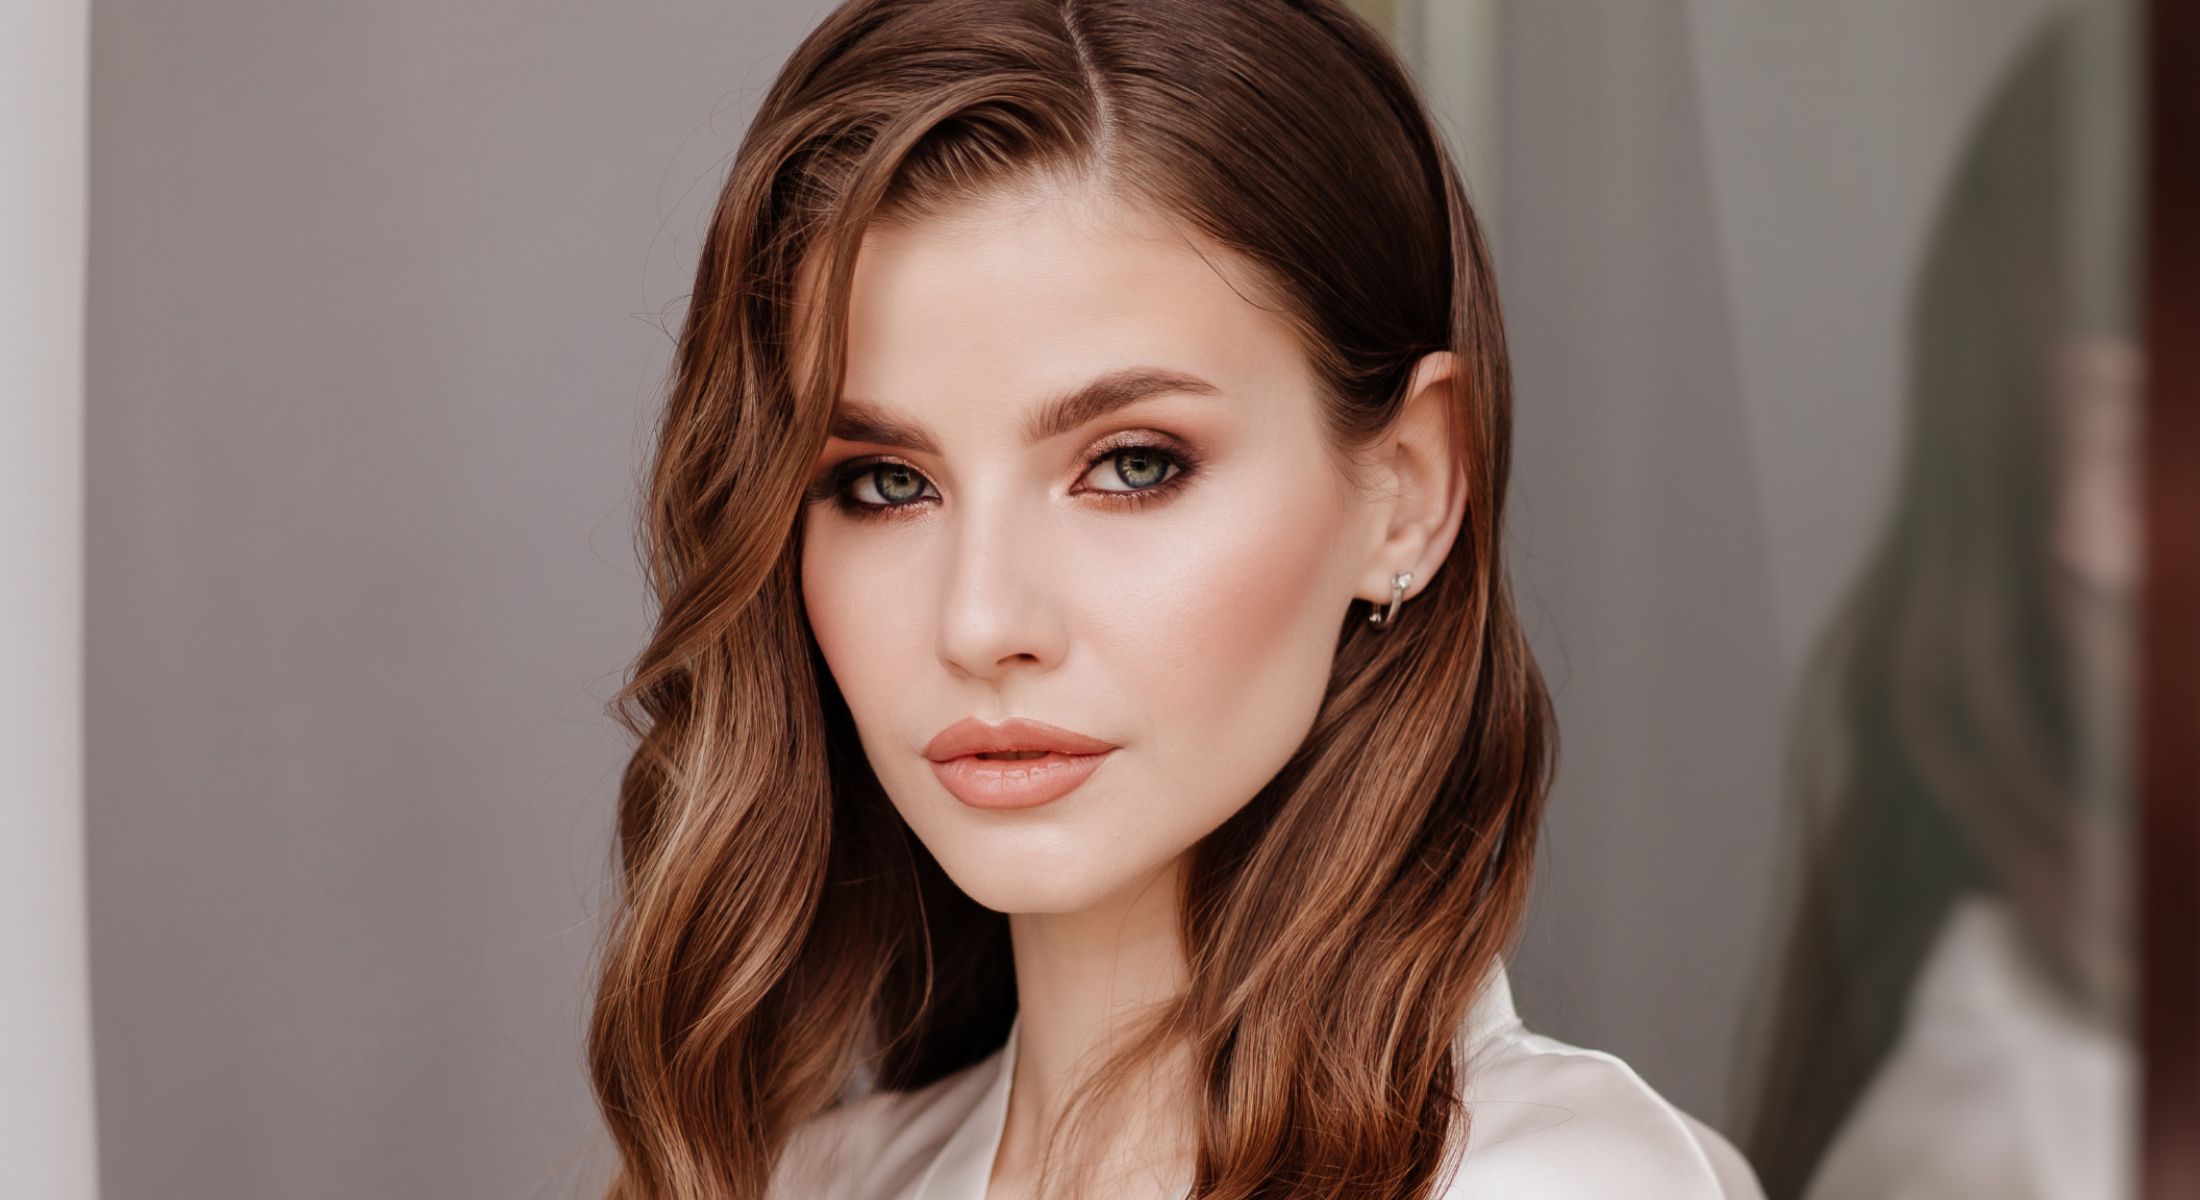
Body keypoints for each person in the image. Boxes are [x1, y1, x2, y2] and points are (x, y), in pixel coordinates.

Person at [585, 2, 1767, 1197]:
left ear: (1407, 488)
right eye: (884, 484)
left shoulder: (1555, 1182)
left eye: (1133, 465)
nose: (982, 624)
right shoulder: (803, 1181)